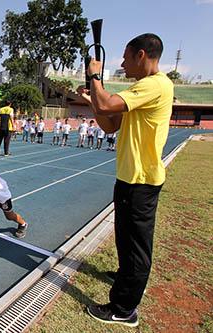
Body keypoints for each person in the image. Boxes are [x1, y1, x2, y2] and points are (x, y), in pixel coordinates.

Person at [78, 33, 173, 327]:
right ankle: (125, 274)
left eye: (125, 57)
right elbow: (108, 123)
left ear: (141, 55)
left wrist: (95, 77)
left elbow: (106, 106)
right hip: (130, 178)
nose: (121, 63)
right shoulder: (142, 89)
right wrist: (93, 96)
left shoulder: (154, 85)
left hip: (141, 180)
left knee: (137, 246)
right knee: (125, 237)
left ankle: (124, 309)